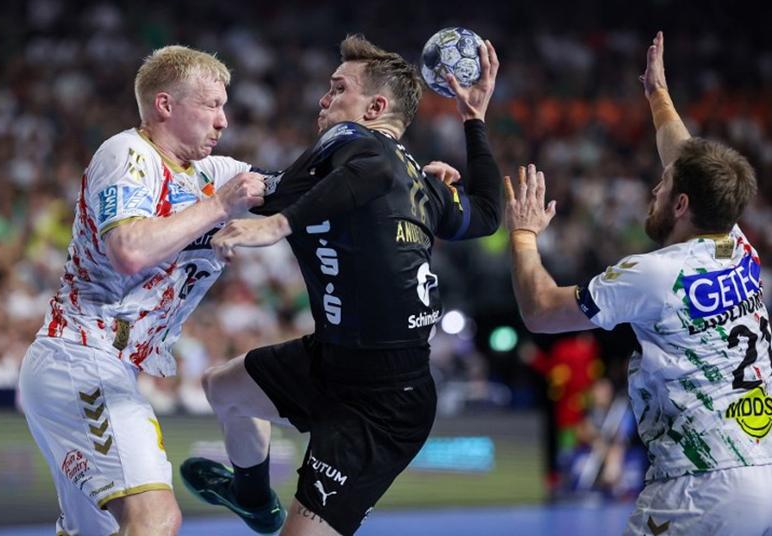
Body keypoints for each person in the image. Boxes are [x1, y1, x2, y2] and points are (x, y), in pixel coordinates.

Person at [179, 34, 502, 535]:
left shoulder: (361, 147)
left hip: (382, 403)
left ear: (374, 107)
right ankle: (251, 499)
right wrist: (474, 122)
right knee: (223, 388)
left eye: (337, 88)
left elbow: (370, 173)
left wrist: (278, 225)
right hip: (330, 360)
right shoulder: (413, 182)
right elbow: (486, 213)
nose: (323, 99)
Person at [504, 31, 772, 535]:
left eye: (665, 184)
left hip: (699, 486)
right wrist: (657, 94)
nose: (655, 185)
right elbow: (684, 156)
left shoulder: (654, 275)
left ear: (682, 205)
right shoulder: (737, 244)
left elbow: (540, 309)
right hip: (761, 473)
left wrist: (522, 233)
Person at [17, 45, 268, 536]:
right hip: (82, 358)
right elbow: (129, 249)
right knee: (154, 518)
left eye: (224, 106)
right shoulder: (128, 155)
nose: (223, 120)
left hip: (104, 366)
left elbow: (294, 188)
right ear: (165, 105)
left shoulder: (211, 173)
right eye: (211, 105)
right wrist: (219, 209)